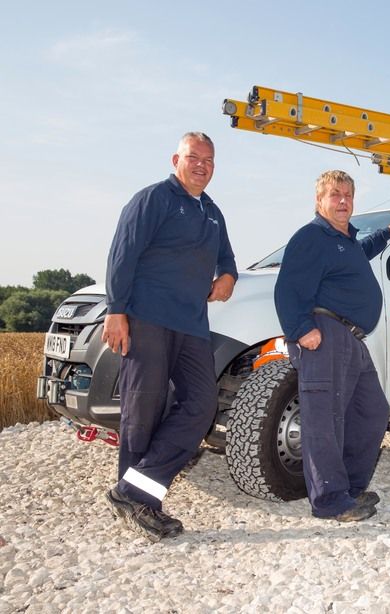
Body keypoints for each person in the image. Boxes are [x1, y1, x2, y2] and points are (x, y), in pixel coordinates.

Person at [102, 132, 237, 541]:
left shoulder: (212, 211)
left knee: (201, 404)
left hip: (192, 324)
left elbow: (227, 259)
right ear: (176, 159)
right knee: (143, 410)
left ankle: (129, 492)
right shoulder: (153, 199)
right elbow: (122, 254)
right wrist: (116, 311)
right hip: (147, 318)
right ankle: (143, 506)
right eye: (194, 157)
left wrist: (227, 276)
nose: (202, 165)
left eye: (209, 160)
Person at [274, 170, 390, 521]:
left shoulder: (345, 241)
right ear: (319, 201)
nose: (343, 200)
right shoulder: (311, 237)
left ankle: (349, 488)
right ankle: (330, 500)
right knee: (324, 419)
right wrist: (302, 328)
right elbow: (287, 287)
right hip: (325, 332)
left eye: (348, 194)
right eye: (335, 194)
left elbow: (363, 250)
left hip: (352, 338)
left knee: (372, 411)